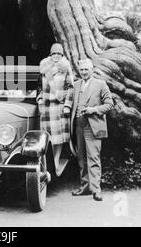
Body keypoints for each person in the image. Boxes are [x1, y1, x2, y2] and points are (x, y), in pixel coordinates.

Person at [64, 58, 113, 201]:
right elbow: (69, 100)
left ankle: (96, 190)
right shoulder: (76, 84)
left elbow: (109, 104)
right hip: (78, 125)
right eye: (82, 70)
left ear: (92, 70)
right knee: (81, 159)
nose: (84, 72)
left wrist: (94, 109)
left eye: (86, 69)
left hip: (93, 127)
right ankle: (85, 187)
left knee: (94, 158)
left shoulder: (101, 84)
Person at [37, 43, 74, 175]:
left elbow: (71, 87)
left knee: (58, 139)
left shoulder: (65, 67)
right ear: (50, 55)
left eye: (59, 53)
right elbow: (40, 87)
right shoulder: (44, 68)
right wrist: (40, 98)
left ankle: (56, 161)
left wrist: (67, 105)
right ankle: (49, 164)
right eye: (54, 54)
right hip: (46, 107)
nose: (56, 56)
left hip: (59, 107)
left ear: (62, 55)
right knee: (48, 138)